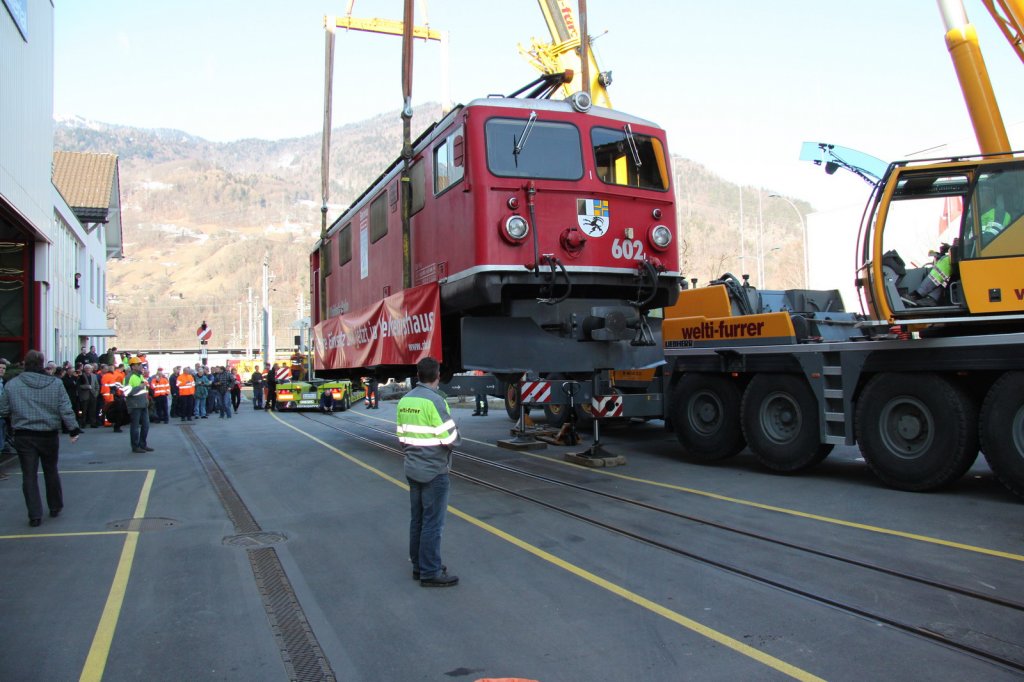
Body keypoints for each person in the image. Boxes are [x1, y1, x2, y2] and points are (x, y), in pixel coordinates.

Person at [397, 357, 460, 587]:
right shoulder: (435, 401)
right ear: (438, 375)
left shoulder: (405, 400)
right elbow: (451, 438)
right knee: (433, 523)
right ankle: (430, 572)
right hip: (434, 470)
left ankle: (419, 566)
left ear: (417, 374)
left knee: (418, 520)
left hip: (412, 467)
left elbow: (402, 437)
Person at [0, 350, 82, 527]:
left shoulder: (12, 385)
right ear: (42, 363)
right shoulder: (55, 384)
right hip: (48, 434)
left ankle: (34, 514)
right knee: (50, 470)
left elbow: (3, 409)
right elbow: (65, 408)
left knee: (29, 475)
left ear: (25, 363)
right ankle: (55, 506)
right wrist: (73, 429)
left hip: (24, 435)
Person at [124, 357, 153, 453]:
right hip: (134, 405)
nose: (141, 366)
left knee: (146, 425)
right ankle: (135, 446)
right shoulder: (129, 377)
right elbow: (126, 392)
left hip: (143, 403)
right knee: (135, 427)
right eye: (139, 364)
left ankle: (142, 444)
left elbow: (144, 389)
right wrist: (139, 387)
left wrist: (146, 398)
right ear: (133, 366)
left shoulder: (140, 376)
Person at [76, 363, 100, 428]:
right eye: (86, 368)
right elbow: (79, 386)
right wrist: (86, 387)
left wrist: (96, 393)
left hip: (93, 395)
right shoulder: (81, 376)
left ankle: (93, 423)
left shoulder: (94, 376)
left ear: (91, 369)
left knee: (93, 410)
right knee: (84, 410)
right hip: (85, 395)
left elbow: (97, 385)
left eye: (89, 368)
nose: (88, 370)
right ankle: (83, 423)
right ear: (84, 369)